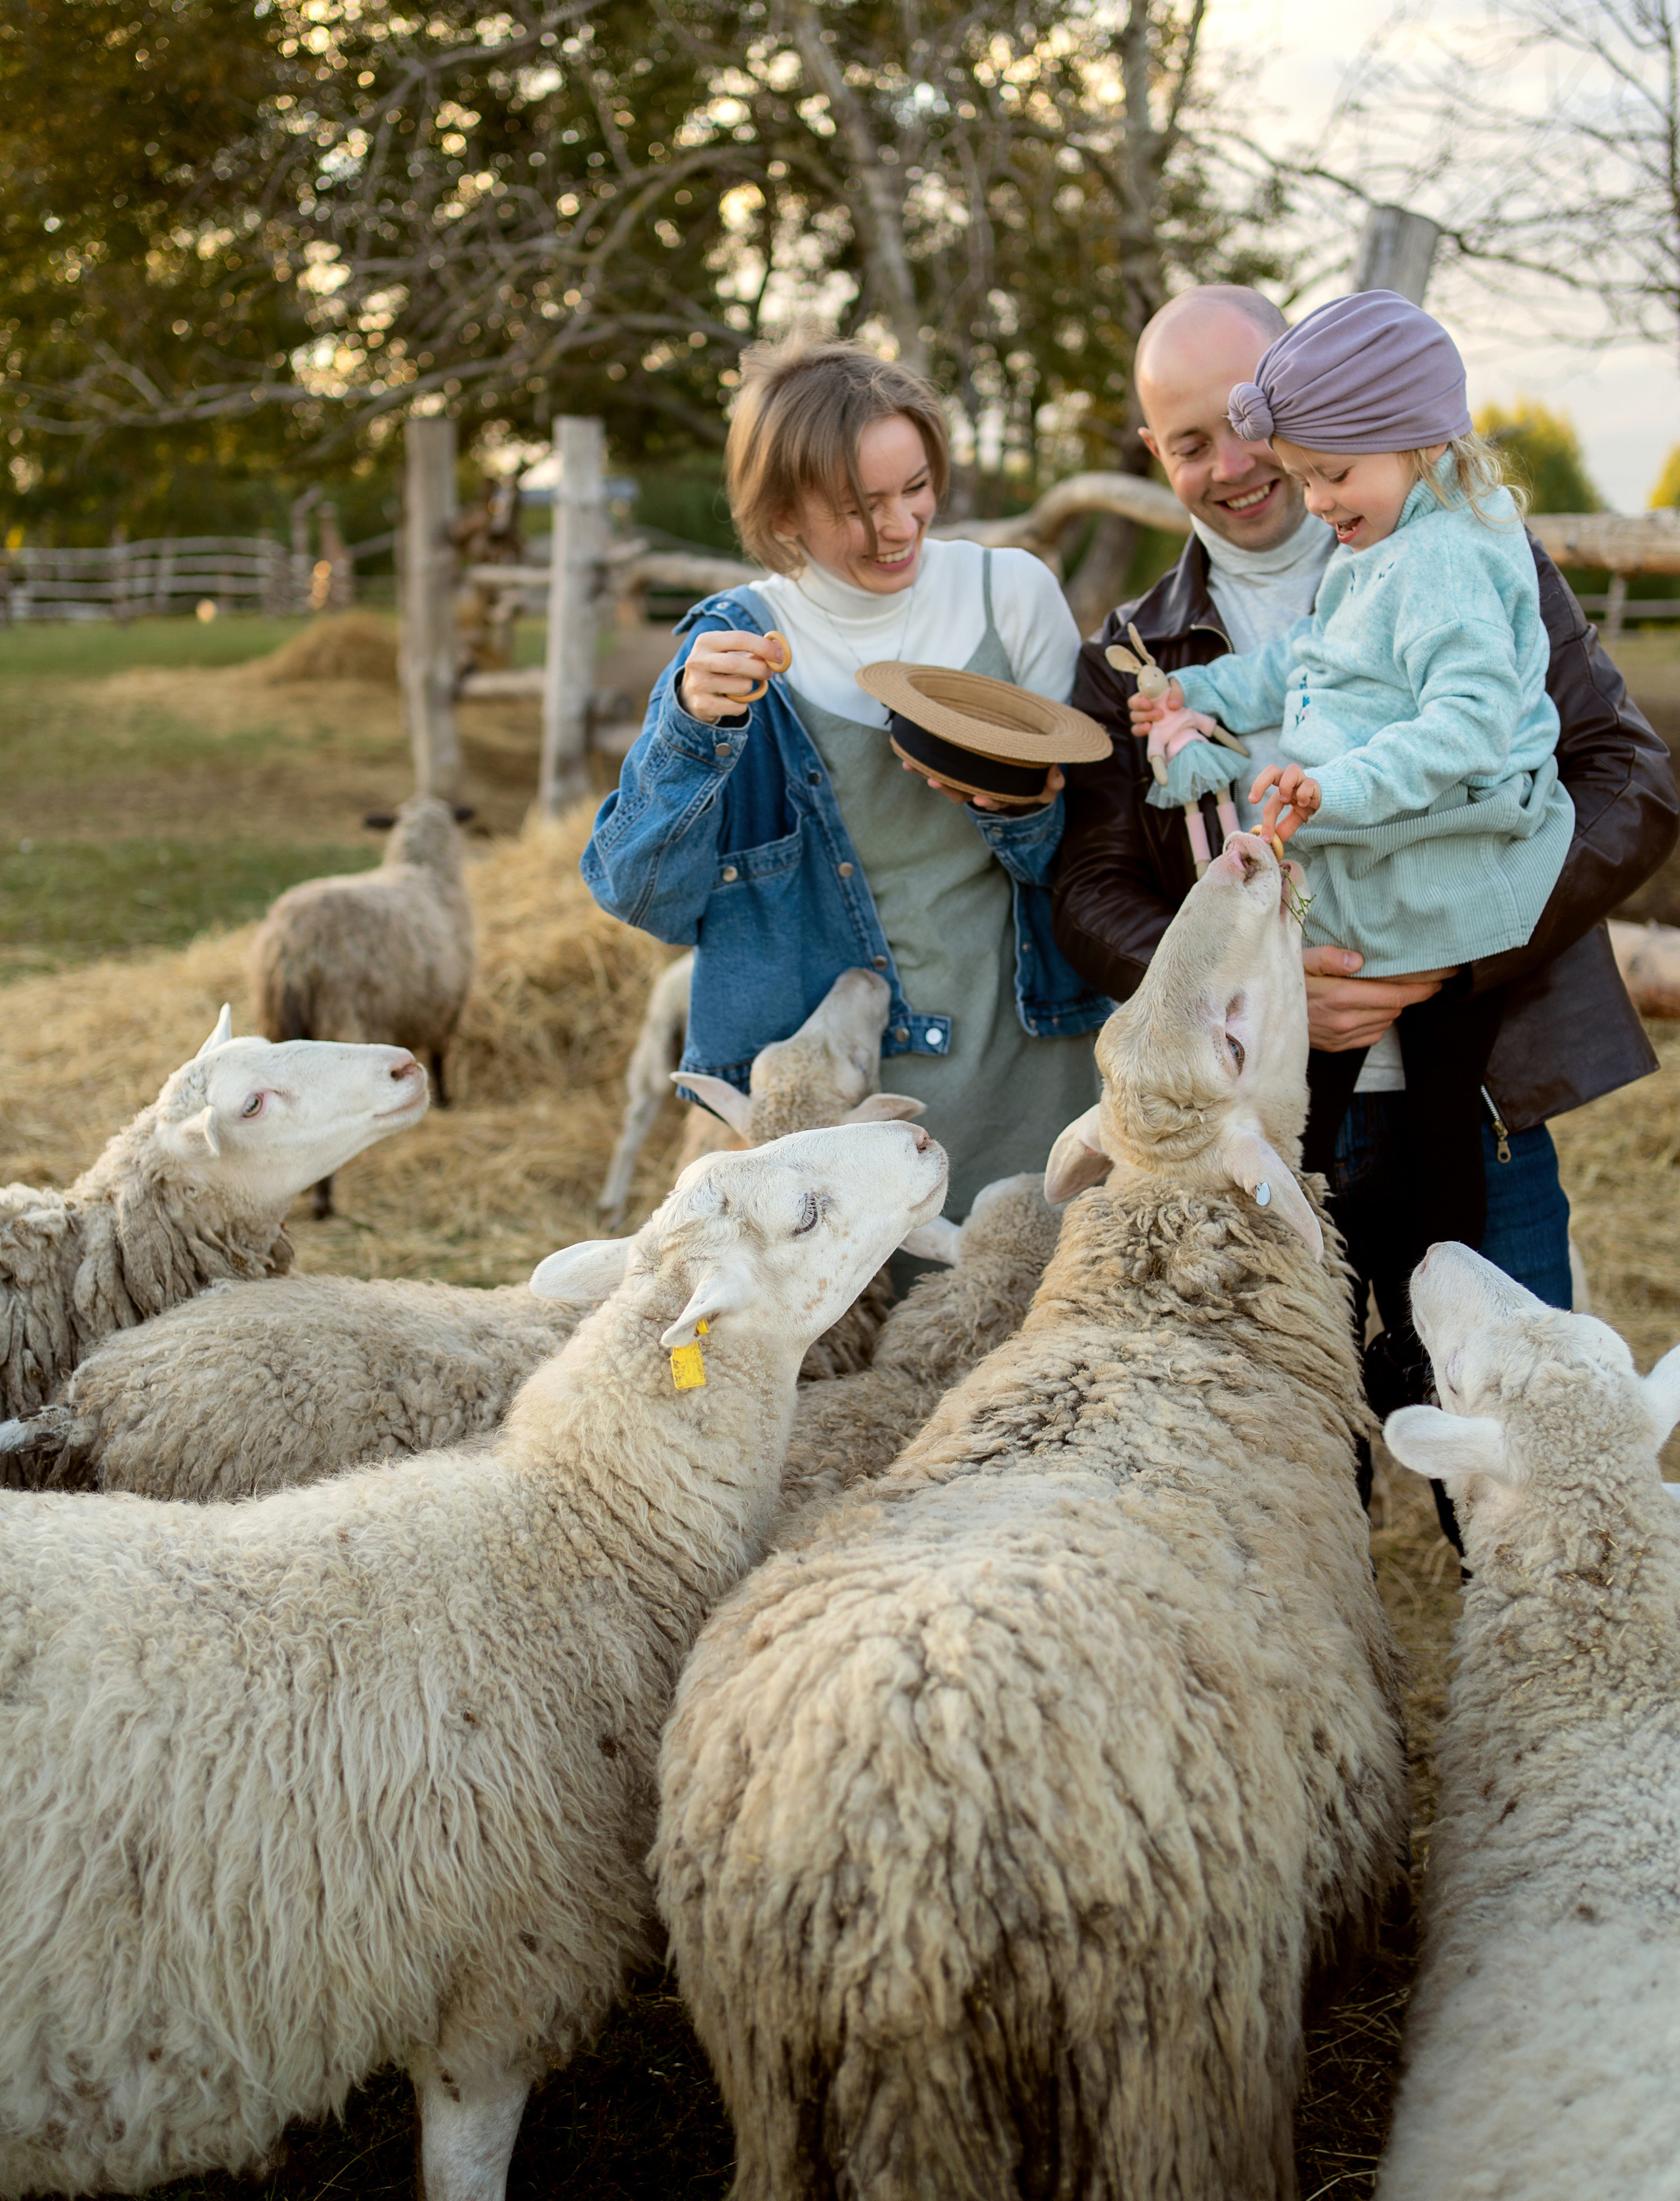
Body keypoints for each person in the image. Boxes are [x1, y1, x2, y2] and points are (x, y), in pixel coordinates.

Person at [1054, 282, 1677, 1429]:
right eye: (1190, 444)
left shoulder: (1470, 561)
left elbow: (1631, 783)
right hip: (1267, 1114)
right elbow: (1089, 892)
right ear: (1154, 451)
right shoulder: (1134, 656)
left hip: (1486, 1083)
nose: (1239, 468)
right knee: (1293, 1454)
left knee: (1519, 1435)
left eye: (1254, 432)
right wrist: (1258, 989)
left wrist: (1458, 957)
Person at [582, 338, 1111, 1217]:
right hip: (840, 1098)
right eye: (861, 508)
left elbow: (1091, 855)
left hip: (1034, 1050)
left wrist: (1018, 807)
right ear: (785, 512)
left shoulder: (1009, 595)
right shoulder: (738, 645)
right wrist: (688, 728)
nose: (902, 527)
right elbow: (642, 895)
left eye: (917, 488)